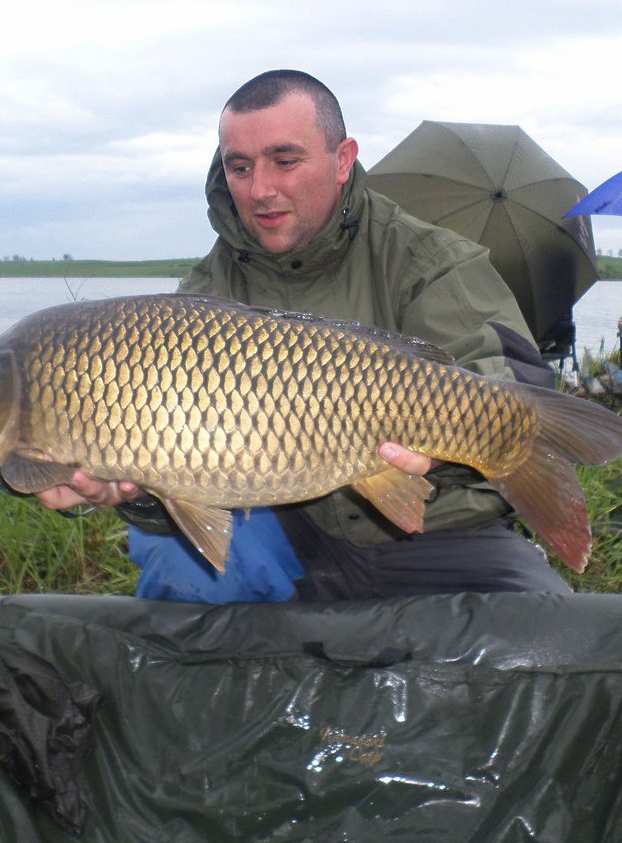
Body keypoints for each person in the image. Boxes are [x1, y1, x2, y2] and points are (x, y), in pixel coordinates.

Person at [32, 69, 571, 600]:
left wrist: (444, 459)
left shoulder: (429, 261)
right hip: (288, 529)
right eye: (239, 167)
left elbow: (509, 380)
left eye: (284, 161)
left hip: (439, 530)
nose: (260, 189)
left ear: (342, 160)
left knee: (541, 625)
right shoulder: (204, 292)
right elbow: (178, 473)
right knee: (176, 558)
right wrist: (128, 491)